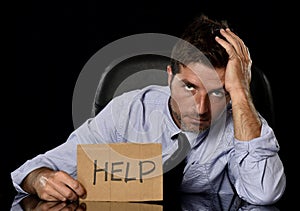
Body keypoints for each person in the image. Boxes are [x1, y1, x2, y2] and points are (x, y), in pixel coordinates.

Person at [11, 14, 286, 205]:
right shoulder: (128, 112)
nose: (201, 108)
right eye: (190, 87)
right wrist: (39, 179)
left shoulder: (242, 120)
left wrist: (239, 93)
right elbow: (30, 170)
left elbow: (264, 194)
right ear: (169, 76)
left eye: (217, 92)